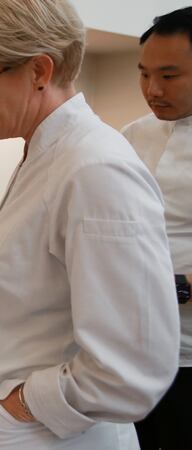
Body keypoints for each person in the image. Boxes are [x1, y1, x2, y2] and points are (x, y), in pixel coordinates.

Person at [0, 1, 180, 448]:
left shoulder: (94, 168)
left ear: (38, 71)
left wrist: (25, 402)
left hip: (49, 434)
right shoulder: (47, 153)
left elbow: (132, 368)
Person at [121, 7, 192, 449]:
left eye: (170, 75)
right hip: (127, 346)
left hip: (187, 352)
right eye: (144, 73)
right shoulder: (132, 135)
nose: (152, 89)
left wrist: (171, 288)